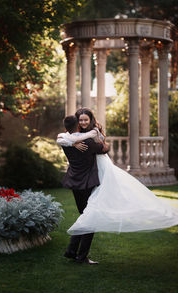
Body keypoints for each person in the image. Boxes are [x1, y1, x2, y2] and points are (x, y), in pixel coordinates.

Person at [57, 108, 178, 236]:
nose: (83, 122)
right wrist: (74, 143)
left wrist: (75, 141)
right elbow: (62, 138)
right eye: (80, 120)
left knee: (90, 212)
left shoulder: (91, 133)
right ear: (76, 122)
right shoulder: (73, 139)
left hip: (92, 172)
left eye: (85, 119)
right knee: (88, 214)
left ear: (91, 119)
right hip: (86, 175)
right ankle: (77, 250)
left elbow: (103, 148)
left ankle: (76, 250)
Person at [59, 115, 109, 264]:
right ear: (78, 125)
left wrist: (74, 143)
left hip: (74, 183)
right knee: (90, 218)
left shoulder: (66, 142)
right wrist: (99, 135)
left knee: (84, 215)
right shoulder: (88, 142)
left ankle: (72, 251)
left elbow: (61, 137)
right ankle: (81, 256)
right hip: (87, 183)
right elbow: (105, 149)